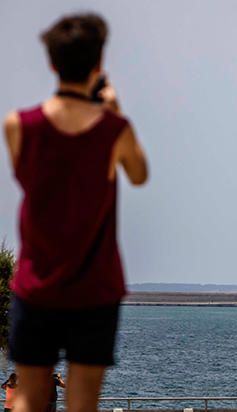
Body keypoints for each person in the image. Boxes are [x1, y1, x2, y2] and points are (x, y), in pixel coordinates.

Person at [3, 13, 148, 412]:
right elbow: (139, 173)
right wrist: (114, 113)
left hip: (37, 285)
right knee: (83, 402)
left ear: (51, 63)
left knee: (28, 399)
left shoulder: (18, 126)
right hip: (95, 288)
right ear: (99, 64)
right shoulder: (113, 130)